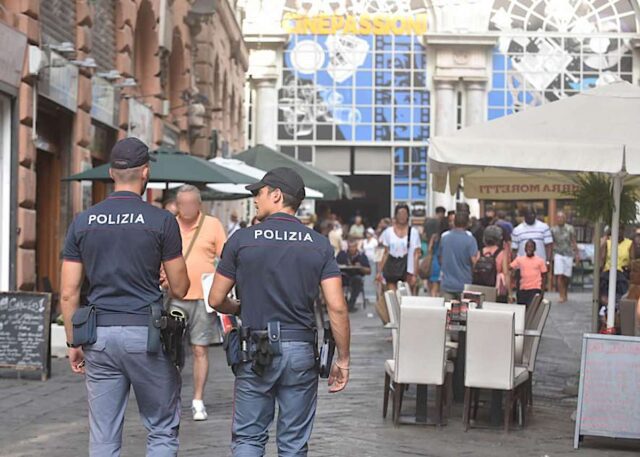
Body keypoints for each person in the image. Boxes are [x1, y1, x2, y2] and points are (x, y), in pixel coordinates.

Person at [59, 137, 190, 456]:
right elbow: (182, 288)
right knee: (161, 428)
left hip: (99, 336)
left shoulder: (83, 221)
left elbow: (68, 292)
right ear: (145, 173)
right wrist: (160, 275)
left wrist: (73, 341)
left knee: (103, 435)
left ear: (112, 173)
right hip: (146, 334)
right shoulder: (161, 221)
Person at [208, 167, 350, 457]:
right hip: (300, 349)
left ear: (276, 195)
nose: (255, 199)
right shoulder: (318, 244)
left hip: (255, 347)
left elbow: (216, 298)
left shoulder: (242, 240)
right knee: (294, 443)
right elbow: (337, 306)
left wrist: (238, 306)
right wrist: (344, 359)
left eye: (259, 193)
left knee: (249, 437)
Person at [168, 184, 227, 421]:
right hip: (175, 297)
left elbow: (227, 258)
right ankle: (171, 398)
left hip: (203, 298)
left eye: (192, 203)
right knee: (171, 352)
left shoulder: (212, 225)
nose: (187, 208)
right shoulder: (168, 224)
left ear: (199, 204)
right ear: (177, 205)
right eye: (183, 204)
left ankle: (197, 400)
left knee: (200, 349)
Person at [377, 204, 421, 291]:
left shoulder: (413, 233)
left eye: (404, 214)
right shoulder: (388, 232)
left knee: (405, 298)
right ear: (395, 215)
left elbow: (416, 254)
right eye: (400, 214)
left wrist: (415, 274)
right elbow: (384, 253)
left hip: (408, 271)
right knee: (392, 297)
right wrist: (379, 272)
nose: (402, 216)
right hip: (391, 269)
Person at [439, 211, 479, 300]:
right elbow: (474, 261)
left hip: (447, 283)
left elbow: (441, 258)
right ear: (467, 223)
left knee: (447, 311)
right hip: (465, 284)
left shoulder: (445, 238)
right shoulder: (470, 240)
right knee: (464, 312)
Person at [551, 211, 579, 303]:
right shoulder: (553, 230)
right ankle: (561, 295)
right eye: (558, 218)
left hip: (568, 253)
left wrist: (577, 254)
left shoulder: (570, 228)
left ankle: (565, 292)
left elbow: (573, 241)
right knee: (560, 275)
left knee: (566, 276)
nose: (560, 219)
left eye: (562, 217)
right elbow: (552, 243)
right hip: (558, 253)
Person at [337, 238, 372, 311]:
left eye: (353, 247)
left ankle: (351, 304)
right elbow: (334, 265)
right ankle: (341, 302)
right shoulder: (342, 254)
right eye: (350, 247)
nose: (351, 249)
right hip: (343, 276)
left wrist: (360, 267)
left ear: (356, 247)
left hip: (355, 276)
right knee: (335, 280)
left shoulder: (361, 255)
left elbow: (369, 271)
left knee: (357, 280)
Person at [511, 239, 548, 306]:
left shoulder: (540, 261)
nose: (529, 249)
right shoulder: (520, 259)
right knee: (522, 310)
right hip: (523, 289)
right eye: (527, 247)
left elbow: (544, 276)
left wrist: (542, 292)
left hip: (535, 289)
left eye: (531, 247)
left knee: (532, 309)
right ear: (525, 249)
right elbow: (509, 268)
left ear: (535, 249)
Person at [426, 217, 449, 297]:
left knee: (434, 287)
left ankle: (433, 301)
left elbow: (429, 249)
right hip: (444, 262)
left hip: (435, 262)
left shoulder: (435, 237)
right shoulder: (447, 237)